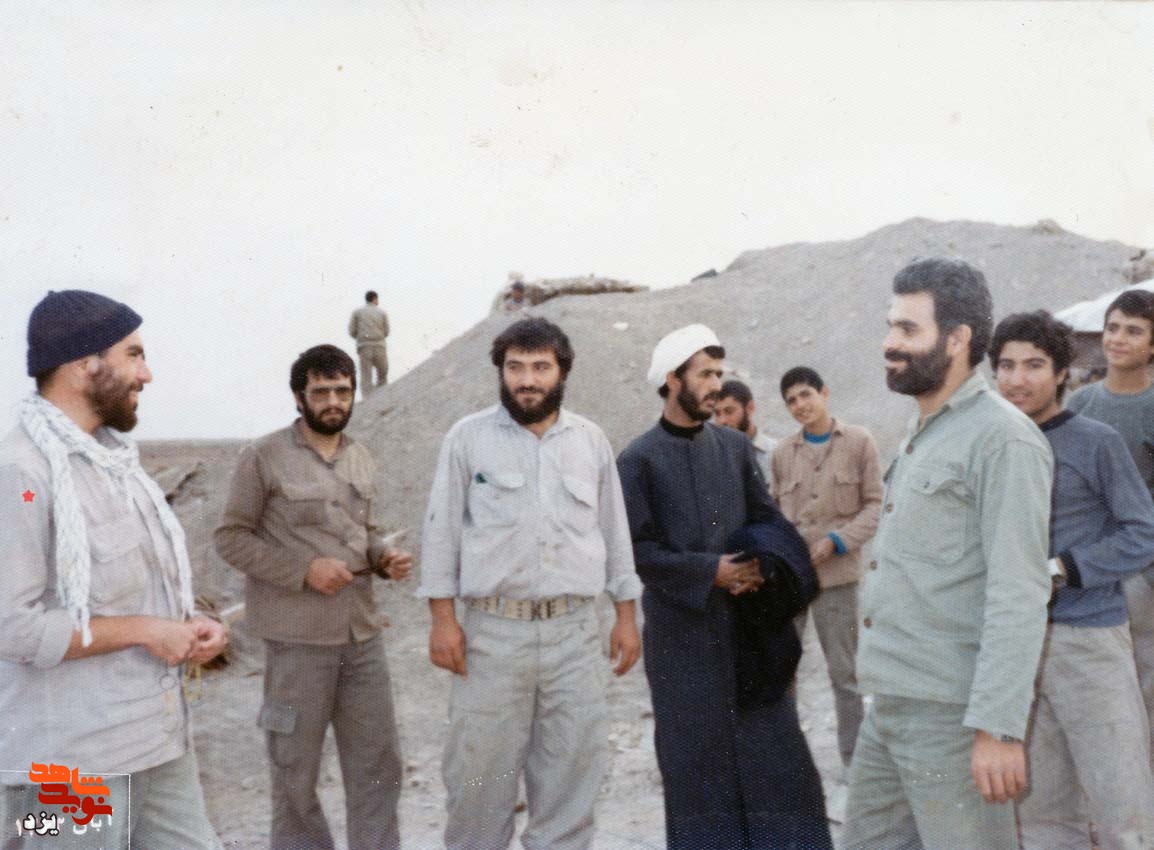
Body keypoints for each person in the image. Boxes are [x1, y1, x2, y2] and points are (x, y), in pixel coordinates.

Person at [0, 290, 226, 850]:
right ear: (85, 366)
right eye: (133, 355)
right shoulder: (21, 474)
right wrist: (146, 631)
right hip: (70, 764)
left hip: (156, 739)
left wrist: (190, 624)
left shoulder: (116, 464)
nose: (146, 374)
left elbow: (142, 588)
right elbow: (12, 626)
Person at [843, 259, 1054, 850]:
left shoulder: (1003, 440)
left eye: (908, 329)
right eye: (890, 325)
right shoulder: (923, 431)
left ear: (957, 339)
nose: (889, 342)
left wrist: (998, 728)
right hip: (890, 705)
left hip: (952, 718)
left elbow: (1019, 591)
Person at [418, 317, 641, 850]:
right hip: (493, 639)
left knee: (571, 783)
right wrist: (443, 621)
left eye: (541, 367)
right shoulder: (467, 439)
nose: (527, 380)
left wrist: (626, 616)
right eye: (515, 367)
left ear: (562, 372)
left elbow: (614, 532)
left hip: (574, 637)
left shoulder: (590, 441)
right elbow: (441, 533)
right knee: (477, 787)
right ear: (501, 372)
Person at [617, 324, 831, 850]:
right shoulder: (637, 460)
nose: (716, 385)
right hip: (682, 642)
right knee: (698, 775)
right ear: (672, 380)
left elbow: (766, 517)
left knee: (775, 765)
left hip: (747, 635)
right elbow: (636, 551)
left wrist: (763, 564)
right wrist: (707, 571)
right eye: (705, 375)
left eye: (719, 374)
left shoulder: (734, 447)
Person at [214, 344, 412, 850]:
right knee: (295, 772)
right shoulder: (263, 456)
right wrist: (303, 571)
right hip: (297, 643)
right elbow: (231, 538)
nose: (333, 402)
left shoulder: (360, 456)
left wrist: (382, 557)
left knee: (378, 765)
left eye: (342, 391)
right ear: (299, 397)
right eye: (321, 392)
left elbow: (361, 533)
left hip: (361, 638)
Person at [992, 310, 1154, 848]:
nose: (1018, 379)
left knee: (1123, 809)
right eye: (1007, 365)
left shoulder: (1095, 441)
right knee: (1040, 813)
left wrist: (1063, 569)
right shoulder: (991, 444)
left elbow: (1143, 532)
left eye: (1034, 365)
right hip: (1014, 647)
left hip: (1087, 641)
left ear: (1061, 372)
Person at [771, 366, 882, 774]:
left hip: (837, 579)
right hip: (791, 581)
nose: (800, 405)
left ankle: (854, 764)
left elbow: (876, 506)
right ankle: (786, 762)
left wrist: (837, 541)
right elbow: (774, 516)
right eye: (791, 401)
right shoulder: (782, 454)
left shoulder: (858, 442)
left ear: (825, 393)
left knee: (845, 674)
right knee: (782, 671)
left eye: (805, 395)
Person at [1066, 288, 1154, 764]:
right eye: (1113, 327)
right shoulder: (1080, 404)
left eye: (1133, 331)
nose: (1118, 339)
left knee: (1143, 684)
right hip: (1084, 569)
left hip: (1141, 574)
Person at [714, 378, 777, 484]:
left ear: (750, 408)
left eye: (729, 411)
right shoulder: (711, 456)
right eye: (717, 414)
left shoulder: (776, 454)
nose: (722, 420)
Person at [348, 290, 390, 395]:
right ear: (375, 299)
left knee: (366, 375)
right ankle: (383, 395)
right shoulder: (382, 312)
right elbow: (387, 331)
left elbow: (352, 331)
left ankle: (367, 398)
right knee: (382, 373)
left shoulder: (357, 312)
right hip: (379, 345)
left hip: (364, 346)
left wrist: (360, 337)